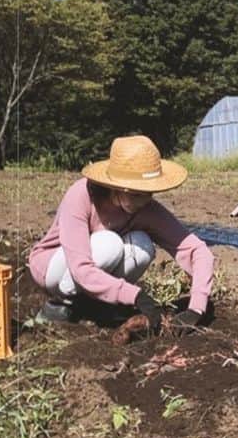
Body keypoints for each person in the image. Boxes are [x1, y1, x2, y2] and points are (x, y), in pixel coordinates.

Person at [28, 135, 214, 332]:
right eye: (135, 194)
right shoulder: (81, 196)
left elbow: (197, 250)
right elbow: (81, 269)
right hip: (55, 268)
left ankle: (98, 305)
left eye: (148, 193)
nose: (143, 201)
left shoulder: (147, 209)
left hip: (92, 269)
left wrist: (196, 308)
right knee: (109, 244)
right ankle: (62, 305)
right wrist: (135, 295)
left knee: (141, 246)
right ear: (115, 186)